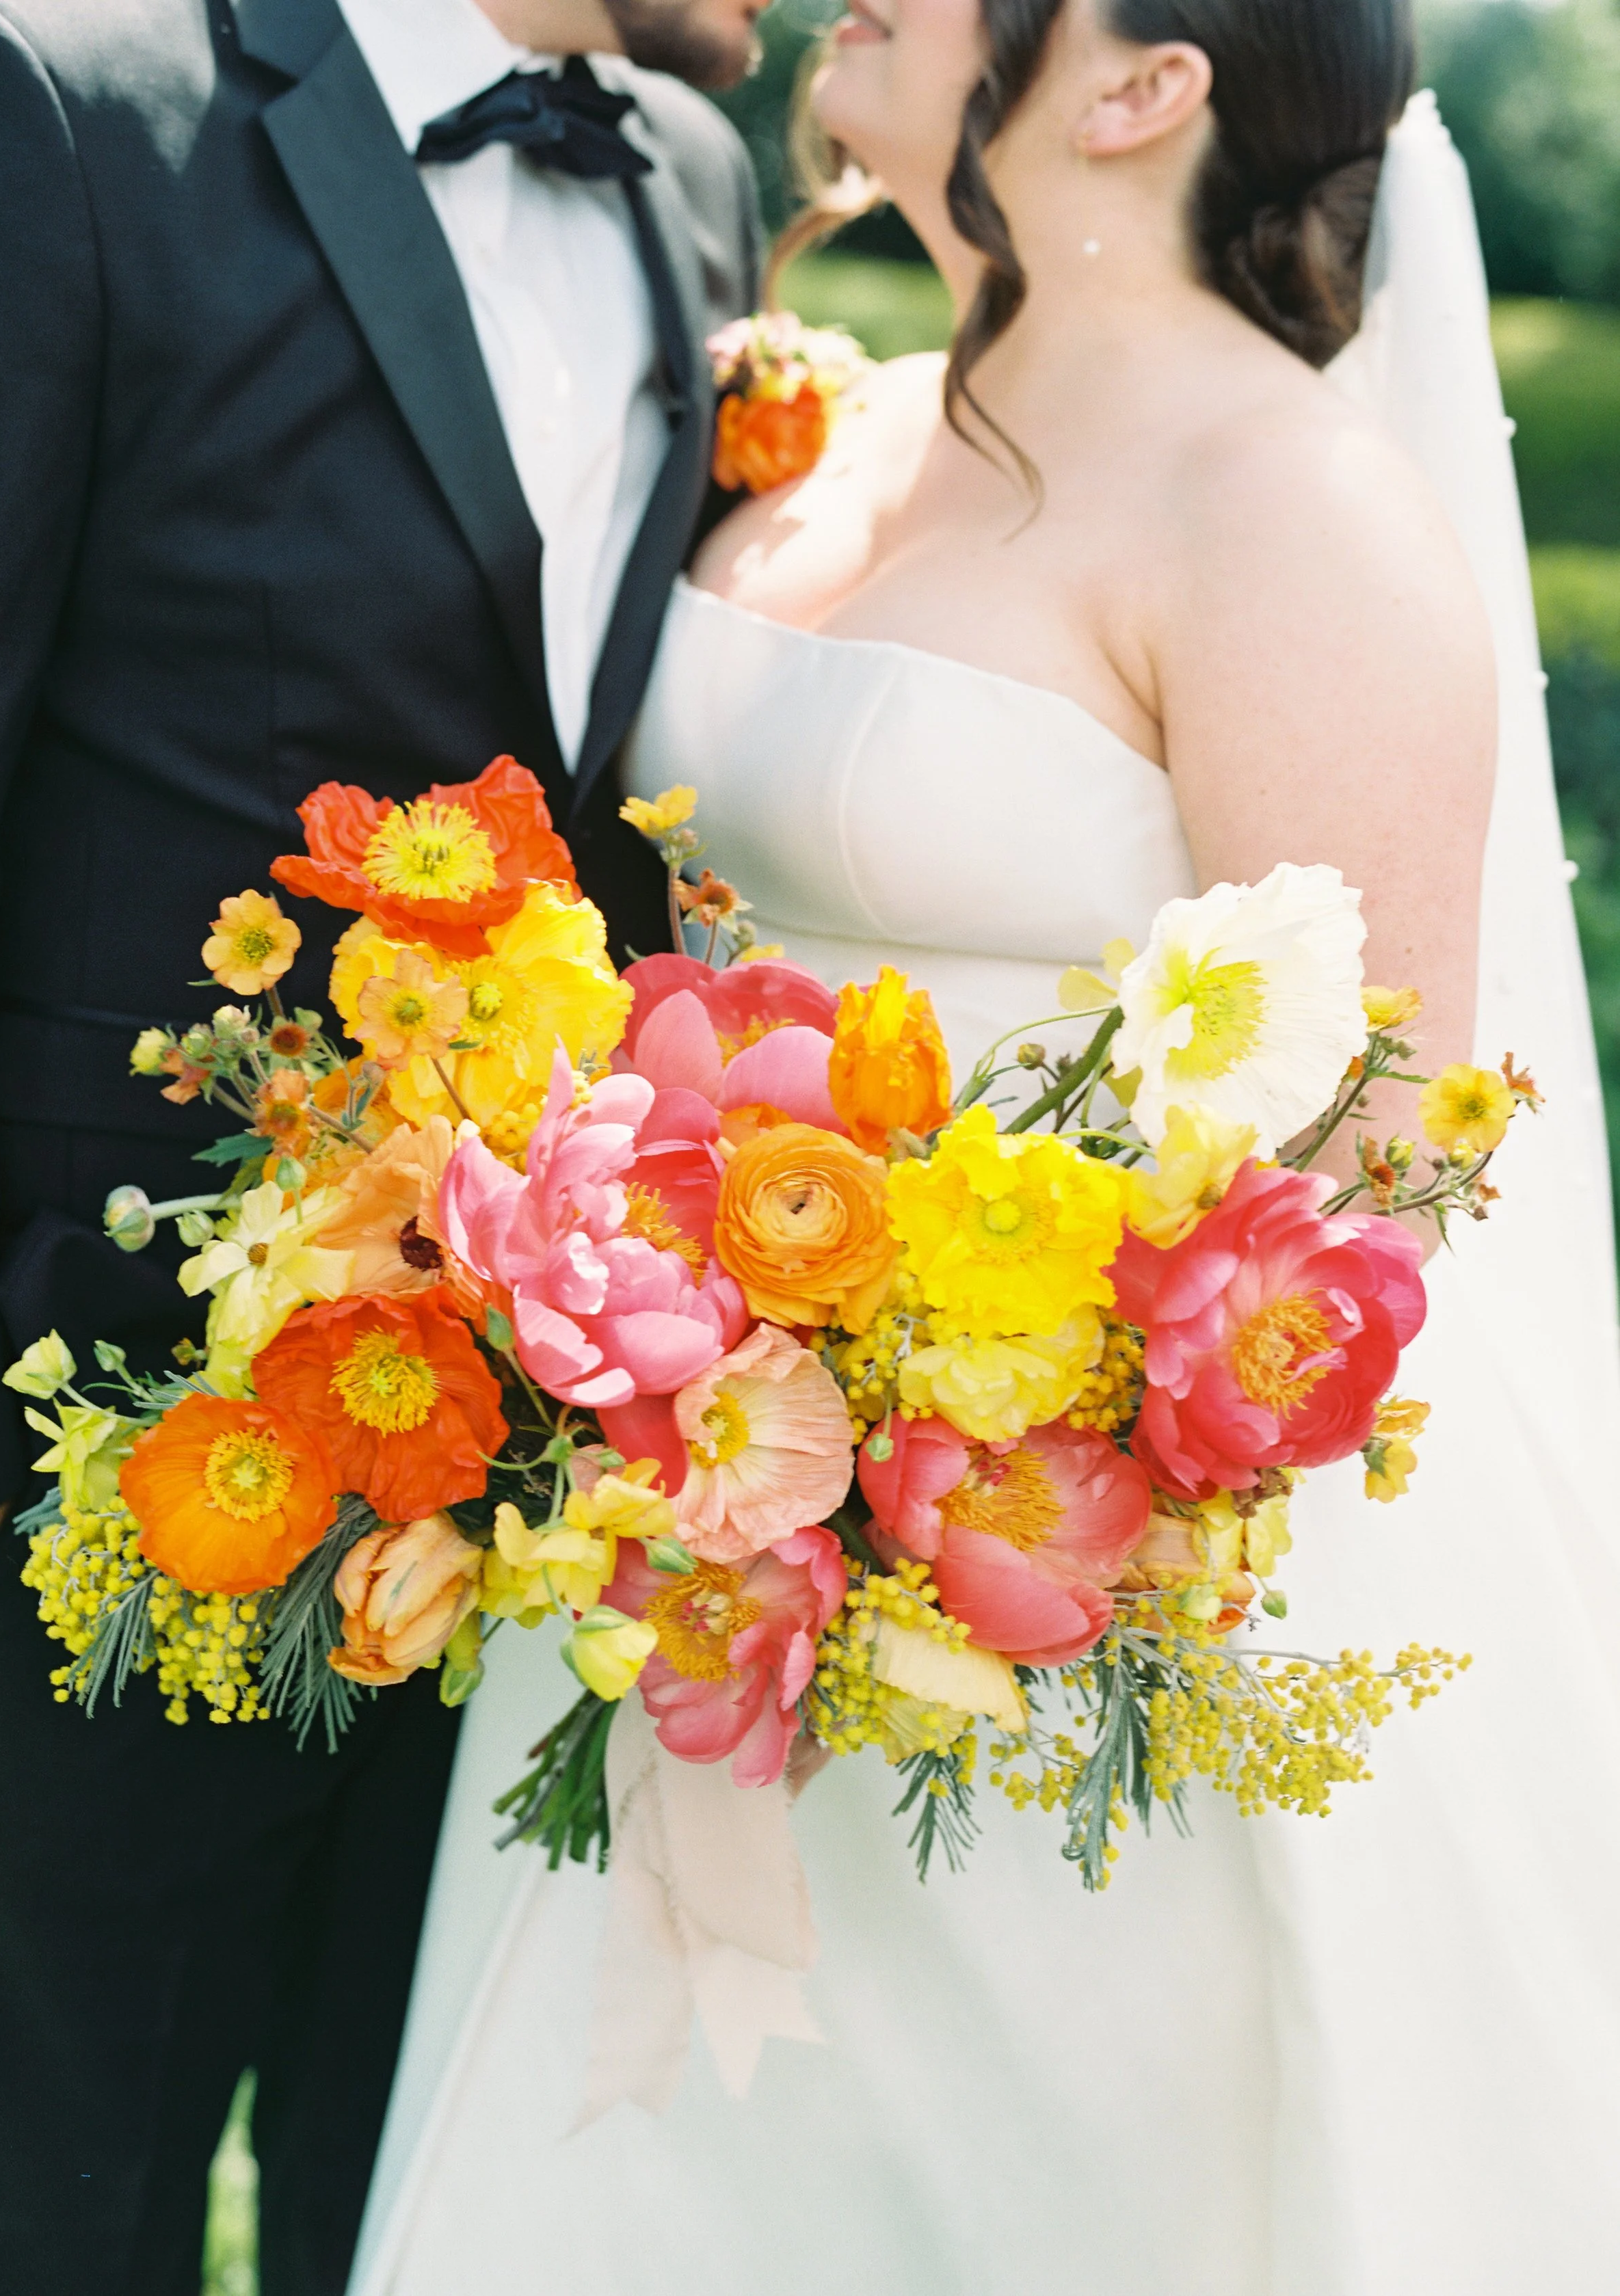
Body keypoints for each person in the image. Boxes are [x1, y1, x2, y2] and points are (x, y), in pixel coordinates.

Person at [354, 2, 1620, 2291]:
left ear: (1142, 86)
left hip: (1059, 1575)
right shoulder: (846, 422)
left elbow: (1391, 1140)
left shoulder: (1286, 504)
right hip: (689, 1516)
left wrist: (992, 1434)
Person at [0, 0, 760, 2284]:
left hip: (556, 1500)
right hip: (115, 1458)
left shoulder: (691, 177)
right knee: (64, 2218)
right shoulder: (51, 104)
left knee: (425, 2216)